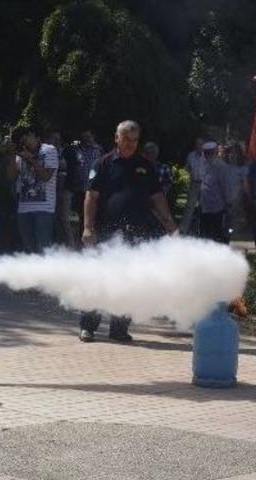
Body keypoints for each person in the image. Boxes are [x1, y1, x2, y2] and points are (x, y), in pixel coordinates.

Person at [79, 120, 178, 343]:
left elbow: (157, 197)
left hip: (136, 232)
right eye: (126, 139)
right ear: (116, 138)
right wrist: (87, 227)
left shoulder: (146, 166)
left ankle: (119, 328)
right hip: (106, 232)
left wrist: (170, 224)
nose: (130, 144)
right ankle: (88, 326)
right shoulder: (103, 164)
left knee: (128, 281)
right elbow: (91, 198)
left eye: (134, 140)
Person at [7, 124, 58, 253]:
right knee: (28, 248)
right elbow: (11, 176)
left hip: (44, 208)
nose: (23, 141)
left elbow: (46, 176)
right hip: (24, 207)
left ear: (35, 136)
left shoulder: (49, 150)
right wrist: (12, 155)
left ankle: (46, 272)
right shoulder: (20, 154)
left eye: (26, 137)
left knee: (43, 248)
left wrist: (31, 160)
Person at [71, 130, 103, 240]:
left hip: (95, 189)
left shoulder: (98, 150)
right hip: (81, 189)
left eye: (88, 137)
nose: (87, 139)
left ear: (93, 137)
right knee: (82, 217)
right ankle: (83, 241)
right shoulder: (77, 150)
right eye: (84, 137)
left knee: (96, 217)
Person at [198, 141, 232, 243]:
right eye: (205, 152)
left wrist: (227, 204)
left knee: (217, 234)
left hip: (217, 206)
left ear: (215, 153)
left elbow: (225, 187)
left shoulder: (221, 167)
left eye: (209, 152)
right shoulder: (203, 164)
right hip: (204, 205)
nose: (206, 155)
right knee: (204, 234)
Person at [47, 131, 74, 248]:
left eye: (58, 139)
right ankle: (56, 243)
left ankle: (70, 244)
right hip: (51, 189)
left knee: (64, 217)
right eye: (54, 139)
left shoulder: (65, 151)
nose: (57, 141)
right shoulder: (47, 152)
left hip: (65, 188)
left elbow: (65, 166)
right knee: (53, 217)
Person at [180, 136, 205, 234]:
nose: (199, 146)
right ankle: (183, 229)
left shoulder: (207, 156)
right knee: (189, 206)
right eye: (197, 144)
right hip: (194, 183)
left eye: (201, 144)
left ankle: (200, 229)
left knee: (203, 207)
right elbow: (188, 168)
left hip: (205, 184)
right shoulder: (191, 155)